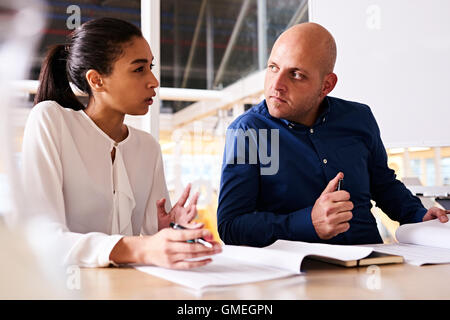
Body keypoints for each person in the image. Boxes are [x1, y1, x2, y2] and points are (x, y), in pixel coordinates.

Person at [217, 22, 449, 247]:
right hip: (300, 276)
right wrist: (308, 222)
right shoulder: (248, 132)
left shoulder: (359, 118)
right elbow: (231, 226)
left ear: (326, 85)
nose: (276, 85)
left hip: (372, 263)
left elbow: (384, 185)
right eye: (273, 67)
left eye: (295, 74)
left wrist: (419, 214)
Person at [21, 17, 221, 268]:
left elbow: (149, 244)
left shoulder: (147, 147)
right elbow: (41, 238)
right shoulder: (51, 120)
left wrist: (170, 230)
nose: (154, 81)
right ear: (96, 80)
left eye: (151, 67)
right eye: (139, 69)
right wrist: (142, 247)